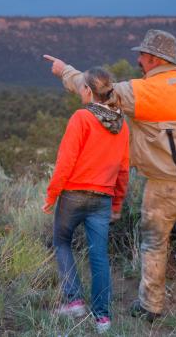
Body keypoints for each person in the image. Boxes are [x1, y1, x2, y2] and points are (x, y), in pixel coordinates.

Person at [44, 28, 176, 330]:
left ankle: (150, 305)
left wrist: (63, 70)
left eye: (141, 55)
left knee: (153, 242)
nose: (137, 60)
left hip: (162, 183)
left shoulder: (141, 91)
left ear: (152, 58)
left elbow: (95, 89)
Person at [42, 67, 130, 334]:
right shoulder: (121, 124)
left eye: (82, 87)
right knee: (99, 256)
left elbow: (65, 162)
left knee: (61, 241)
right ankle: (102, 318)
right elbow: (123, 170)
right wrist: (116, 205)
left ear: (89, 91)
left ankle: (74, 301)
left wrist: (51, 196)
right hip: (103, 199)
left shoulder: (82, 117)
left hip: (73, 195)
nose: (80, 90)